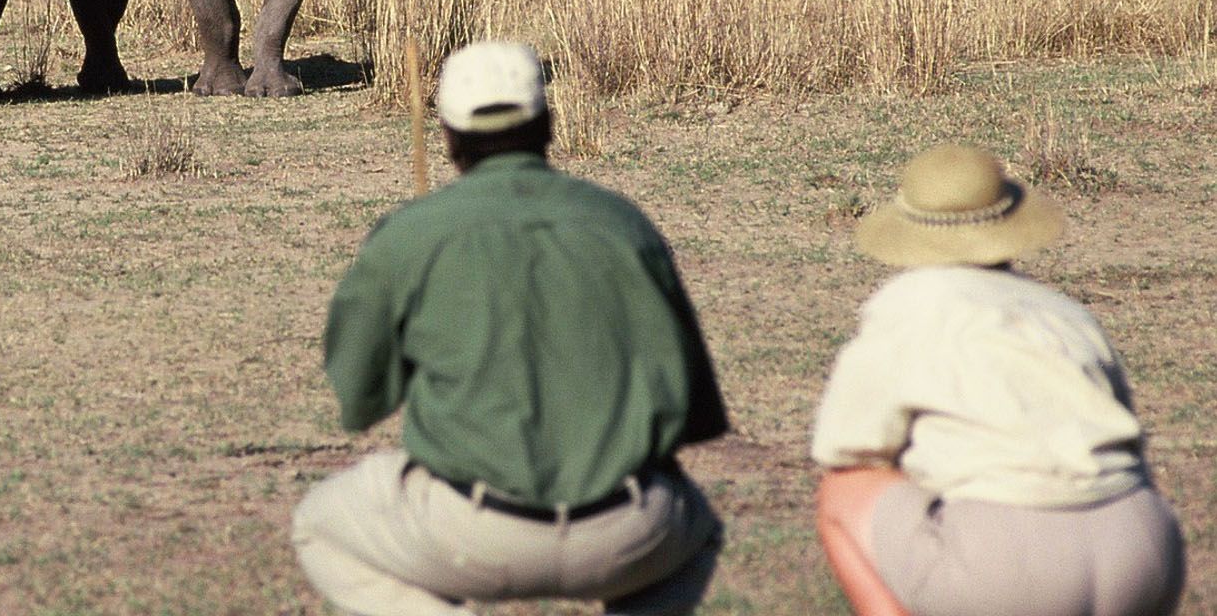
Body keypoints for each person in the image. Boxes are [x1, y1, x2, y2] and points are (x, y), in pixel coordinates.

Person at [291, 40, 730, 616]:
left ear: (447, 136)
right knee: (698, 530)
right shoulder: (624, 225)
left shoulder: (411, 234)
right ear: (548, 123)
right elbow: (694, 414)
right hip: (625, 529)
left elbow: (359, 400)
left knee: (320, 525)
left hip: (472, 529)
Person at [811, 144, 1185, 616]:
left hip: (1006, 561)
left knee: (843, 489)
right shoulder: (1064, 313)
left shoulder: (909, 306)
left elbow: (844, 447)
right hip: (1141, 543)